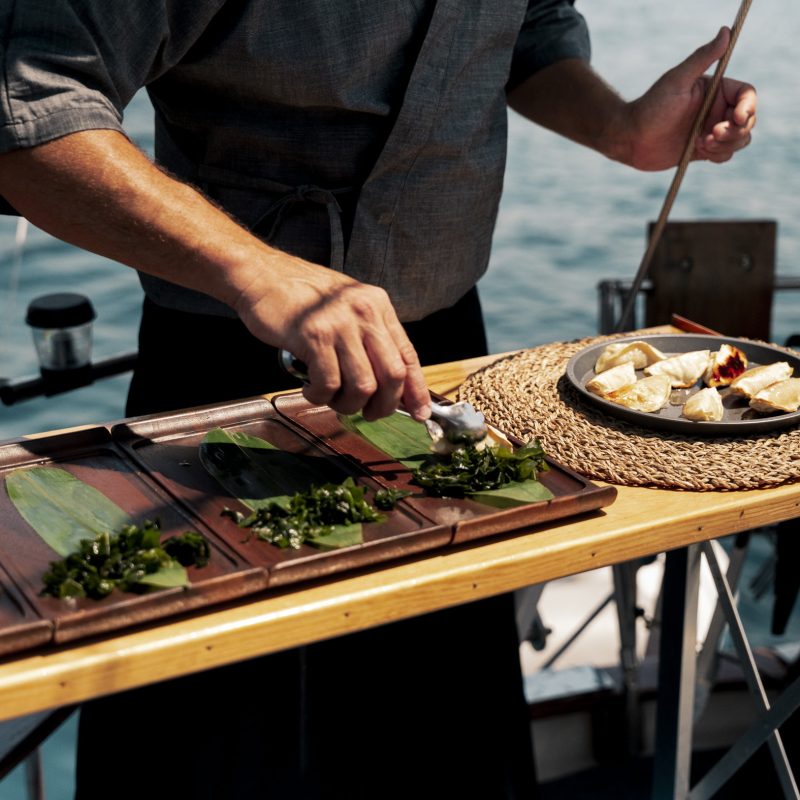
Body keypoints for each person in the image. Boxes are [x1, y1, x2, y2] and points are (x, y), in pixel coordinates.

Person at [0, 2, 756, 798]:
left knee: (447, 748)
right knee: (214, 755)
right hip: (220, 378)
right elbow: (27, 109)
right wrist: (260, 272)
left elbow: (527, 27)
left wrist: (622, 128)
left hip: (441, 372)